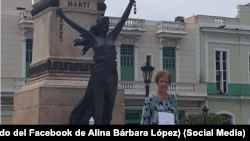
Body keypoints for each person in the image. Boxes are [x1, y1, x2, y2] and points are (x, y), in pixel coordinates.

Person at [56, 0, 136, 125]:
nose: (107, 25)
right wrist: (63, 16)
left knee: (109, 107)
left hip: (112, 74)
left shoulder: (112, 36)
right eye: (104, 23)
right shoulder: (93, 39)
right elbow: (78, 27)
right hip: (98, 73)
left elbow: (122, 20)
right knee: (99, 107)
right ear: (99, 25)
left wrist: (130, 3)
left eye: (108, 23)